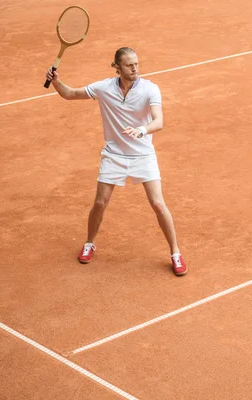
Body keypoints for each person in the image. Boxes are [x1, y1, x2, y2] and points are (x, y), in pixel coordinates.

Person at [45, 47, 187, 276]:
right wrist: (55, 82)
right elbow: (70, 94)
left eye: (137, 64)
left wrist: (141, 130)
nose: (135, 69)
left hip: (143, 155)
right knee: (100, 203)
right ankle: (89, 243)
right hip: (114, 155)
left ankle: (176, 253)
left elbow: (158, 121)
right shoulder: (103, 88)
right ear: (117, 67)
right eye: (130, 65)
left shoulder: (150, 89)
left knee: (158, 204)